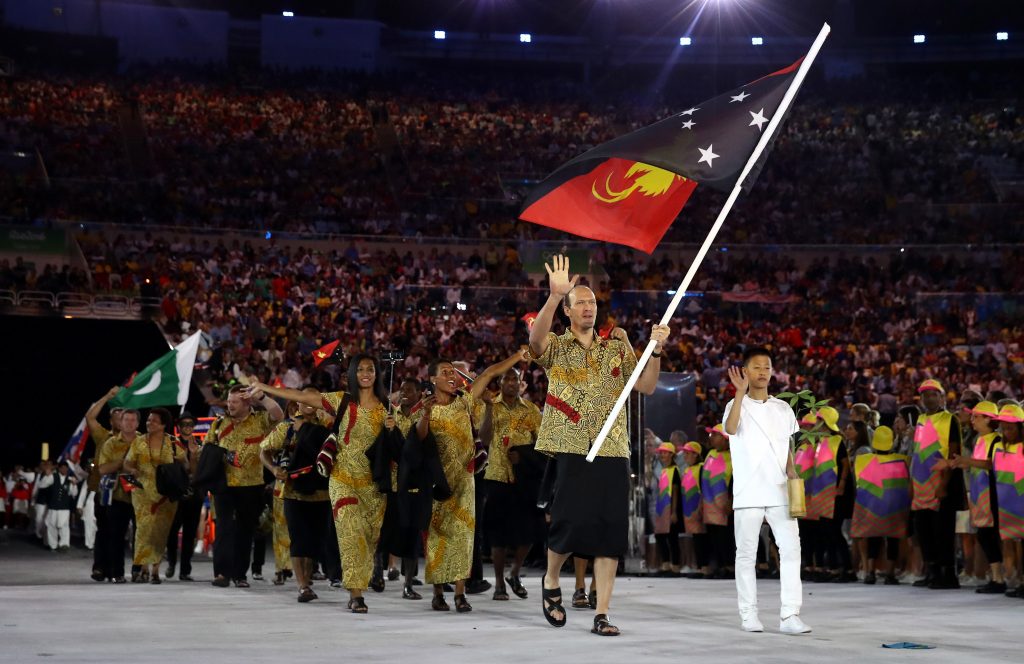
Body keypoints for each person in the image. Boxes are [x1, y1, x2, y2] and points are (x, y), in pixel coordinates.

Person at [529, 254, 669, 637]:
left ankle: (602, 612)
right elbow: (535, 342)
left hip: (612, 449)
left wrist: (654, 351)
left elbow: (647, 385)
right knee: (568, 523)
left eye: (592, 302)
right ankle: (552, 578)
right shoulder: (557, 346)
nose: (589, 307)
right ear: (569, 312)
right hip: (570, 444)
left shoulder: (616, 349)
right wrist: (554, 296)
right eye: (581, 303)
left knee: (609, 533)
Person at [414, 351, 528, 613]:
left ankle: (460, 594)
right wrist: (426, 415)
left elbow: (489, 373)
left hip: (465, 480)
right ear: (432, 378)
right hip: (437, 482)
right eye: (445, 372)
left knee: (464, 537)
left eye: (452, 372)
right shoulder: (425, 406)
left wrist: (517, 356)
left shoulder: (464, 401)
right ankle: (438, 592)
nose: (451, 376)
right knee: (437, 538)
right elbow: (419, 439)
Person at [724, 347, 810, 635]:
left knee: (791, 551)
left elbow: (786, 446)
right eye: (756, 367)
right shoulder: (734, 404)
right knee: (746, 555)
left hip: (779, 491)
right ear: (745, 372)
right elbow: (732, 428)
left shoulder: (782, 408)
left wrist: (792, 470)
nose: (762, 372)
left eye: (767, 367)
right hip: (748, 491)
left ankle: (790, 616)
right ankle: (748, 614)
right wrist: (739, 393)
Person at [204, 384, 284, 588]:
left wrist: (262, 397)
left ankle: (240, 575)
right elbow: (207, 449)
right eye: (228, 401)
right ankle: (222, 573)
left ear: (247, 402)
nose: (229, 405)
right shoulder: (219, 423)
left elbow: (278, 414)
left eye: (234, 402)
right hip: (224, 484)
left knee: (245, 530)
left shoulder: (259, 420)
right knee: (223, 528)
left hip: (251, 484)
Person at [259, 388, 331, 603]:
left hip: (321, 492)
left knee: (314, 541)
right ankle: (302, 585)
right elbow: (263, 451)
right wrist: (273, 470)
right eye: (304, 399)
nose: (308, 403)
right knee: (299, 539)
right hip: (292, 491)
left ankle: (307, 581)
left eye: (313, 399)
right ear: (296, 403)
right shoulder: (287, 427)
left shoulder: (328, 425)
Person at [478, 367, 543, 600]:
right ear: (500, 382)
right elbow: (483, 439)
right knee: (498, 534)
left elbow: (542, 444)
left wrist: (524, 457)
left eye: (515, 378)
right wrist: (486, 407)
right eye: (507, 378)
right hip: (497, 476)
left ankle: (514, 572)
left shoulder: (532, 410)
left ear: (520, 382)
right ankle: (499, 584)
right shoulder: (491, 406)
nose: (512, 382)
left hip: (523, 479)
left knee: (528, 532)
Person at [123, 408, 188, 584]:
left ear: (164, 425)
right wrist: (133, 470)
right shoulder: (138, 442)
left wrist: (192, 459)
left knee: (160, 532)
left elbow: (185, 466)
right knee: (143, 531)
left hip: (166, 496)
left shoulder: (174, 443)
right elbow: (127, 463)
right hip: (142, 493)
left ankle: (155, 570)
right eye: (148, 420)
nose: (148, 423)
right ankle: (143, 569)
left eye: (153, 421)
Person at [910, 379, 964, 590]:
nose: (929, 398)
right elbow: (916, 454)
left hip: (940, 482)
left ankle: (948, 574)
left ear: (942, 397)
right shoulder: (921, 419)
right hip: (920, 485)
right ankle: (932, 572)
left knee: (943, 531)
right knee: (924, 531)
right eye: (925, 394)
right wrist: (911, 483)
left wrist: (944, 484)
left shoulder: (950, 419)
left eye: (933, 394)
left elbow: (953, 451)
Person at [948, 401, 1006, 594]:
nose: (972, 420)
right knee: (985, 535)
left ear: (989, 419)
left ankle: (1000, 577)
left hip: (993, 495)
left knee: (990, 535)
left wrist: (968, 461)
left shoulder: (997, 440)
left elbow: (991, 464)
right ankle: (996, 576)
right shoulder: (979, 440)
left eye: (976, 416)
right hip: (980, 495)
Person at [850, 425, 910, 585]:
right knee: (893, 540)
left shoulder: (863, 460)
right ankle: (890, 573)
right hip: (894, 508)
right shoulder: (902, 461)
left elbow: (857, 483)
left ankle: (870, 572)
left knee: (873, 539)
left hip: (871, 508)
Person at [96, 409, 143, 583]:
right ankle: (117, 573)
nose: (129, 423)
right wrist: (122, 463)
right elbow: (101, 469)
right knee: (116, 536)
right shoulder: (110, 444)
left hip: (140, 496)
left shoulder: (144, 442)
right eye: (126, 420)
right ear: (120, 423)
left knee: (140, 536)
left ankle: (138, 571)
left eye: (133, 420)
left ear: (138, 423)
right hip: (118, 496)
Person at [393, 377, 427, 598]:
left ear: (419, 393)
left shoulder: (423, 415)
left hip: (413, 484)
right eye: (402, 389)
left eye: (410, 390)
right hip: (390, 481)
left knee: (412, 533)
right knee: (385, 530)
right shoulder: (389, 414)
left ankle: (408, 583)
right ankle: (377, 573)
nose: (404, 393)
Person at [85, 386, 124, 581]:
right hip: (103, 491)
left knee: (119, 532)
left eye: (123, 416)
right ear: (111, 421)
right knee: (104, 530)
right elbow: (90, 418)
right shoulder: (103, 436)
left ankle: (116, 569)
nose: (121, 419)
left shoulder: (134, 439)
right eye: (117, 416)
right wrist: (107, 396)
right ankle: (100, 568)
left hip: (125, 492)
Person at [165, 412, 203, 581]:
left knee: (190, 533)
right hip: (176, 493)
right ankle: (172, 562)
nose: (187, 427)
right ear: (179, 427)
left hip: (194, 494)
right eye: (184, 424)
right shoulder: (172, 444)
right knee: (172, 531)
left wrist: (194, 458)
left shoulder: (200, 444)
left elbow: (200, 470)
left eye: (190, 424)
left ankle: (185, 570)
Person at [701, 424, 734, 579]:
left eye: (715, 435)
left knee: (725, 536)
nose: (712, 438)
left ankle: (729, 567)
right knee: (713, 537)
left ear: (725, 438)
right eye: (711, 435)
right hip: (709, 505)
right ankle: (719, 566)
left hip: (725, 505)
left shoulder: (734, 455)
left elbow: (736, 479)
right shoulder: (710, 454)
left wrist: (731, 500)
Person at [680, 442, 710, 579]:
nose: (685, 456)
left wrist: (700, 507)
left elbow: (704, 489)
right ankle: (699, 566)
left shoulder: (701, 468)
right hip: (688, 508)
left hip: (697, 508)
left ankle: (705, 567)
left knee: (701, 538)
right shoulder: (687, 470)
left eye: (688, 453)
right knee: (695, 538)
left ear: (696, 454)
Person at [653, 442, 682, 575]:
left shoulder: (674, 470)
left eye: (665, 452)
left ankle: (675, 565)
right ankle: (666, 564)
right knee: (660, 535)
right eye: (661, 452)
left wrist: (674, 511)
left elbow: (675, 491)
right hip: (662, 508)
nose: (662, 454)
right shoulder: (664, 470)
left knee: (672, 537)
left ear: (671, 454)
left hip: (670, 508)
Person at [41, 460, 78, 551]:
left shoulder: (70, 479)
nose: (65, 470)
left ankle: (64, 544)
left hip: (64, 507)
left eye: (66, 468)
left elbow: (73, 493)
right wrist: (47, 475)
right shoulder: (53, 477)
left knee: (64, 526)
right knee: (51, 525)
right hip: (53, 506)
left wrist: (74, 485)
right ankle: (53, 545)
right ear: (59, 468)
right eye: (63, 468)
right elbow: (42, 485)